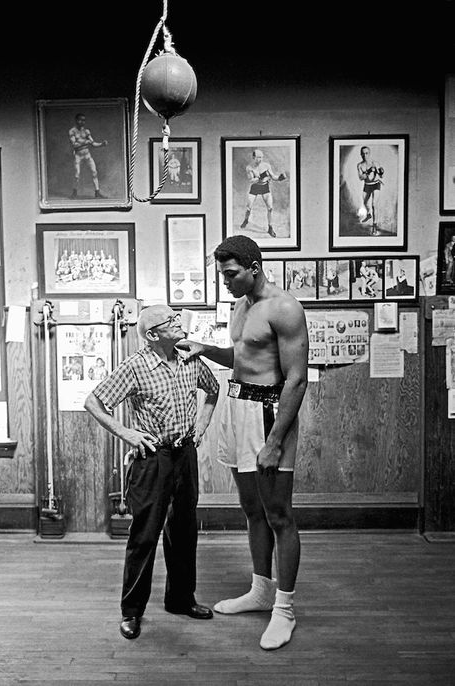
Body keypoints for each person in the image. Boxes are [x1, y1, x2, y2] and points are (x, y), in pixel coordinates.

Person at [176, 234, 309, 651]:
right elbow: (244, 357)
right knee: (252, 509)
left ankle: (284, 609)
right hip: (237, 406)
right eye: (222, 275)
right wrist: (206, 349)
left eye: (231, 275)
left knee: (278, 514)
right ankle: (261, 590)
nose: (226, 282)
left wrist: (274, 441)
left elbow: (296, 378)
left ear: (254, 267)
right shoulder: (240, 305)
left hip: (269, 413)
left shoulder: (284, 308)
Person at [84, 304, 219, 640]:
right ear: (153, 334)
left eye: (177, 317)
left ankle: (180, 599)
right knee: (144, 537)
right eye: (170, 320)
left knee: (184, 531)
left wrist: (200, 426)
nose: (179, 322)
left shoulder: (189, 358)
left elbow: (213, 390)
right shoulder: (136, 366)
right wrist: (128, 434)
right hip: (152, 459)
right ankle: (131, 612)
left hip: (184, 455)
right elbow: (94, 402)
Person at [240, 149, 287, 238]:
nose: (260, 159)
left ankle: (270, 227)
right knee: (248, 207)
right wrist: (260, 177)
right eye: (258, 157)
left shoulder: (266, 165)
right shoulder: (249, 167)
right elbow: (251, 181)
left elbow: (273, 177)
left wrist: (280, 178)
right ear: (253, 157)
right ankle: (246, 220)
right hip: (255, 187)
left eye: (261, 157)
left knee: (270, 208)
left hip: (265, 187)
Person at [69, 113, 108, 199]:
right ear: (76, 120)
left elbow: (93, 143)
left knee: (94, 172)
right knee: (77, 175)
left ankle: (97, 192)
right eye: (80, 120)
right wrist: (85, 142)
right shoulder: (72, 131)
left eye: (83, 120)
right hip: (78, 155)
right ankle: (74, 193)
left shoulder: (86, 131)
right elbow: (74, 145)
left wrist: (102, 144)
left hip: (87, 155)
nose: (82, 122)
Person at [357, 146, 384, 236]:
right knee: (365, 202)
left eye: (366, 153)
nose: (365, 155)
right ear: (361, 154)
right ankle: (369, 214)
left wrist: (380, 172)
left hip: (376, 184)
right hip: (367, 185)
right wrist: (368, 171)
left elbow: (381, 176)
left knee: (374, 205)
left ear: (369, 153)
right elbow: (361, 178)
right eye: (363, 153)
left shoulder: (375, 163)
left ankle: (374, 226)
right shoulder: (360, 165)